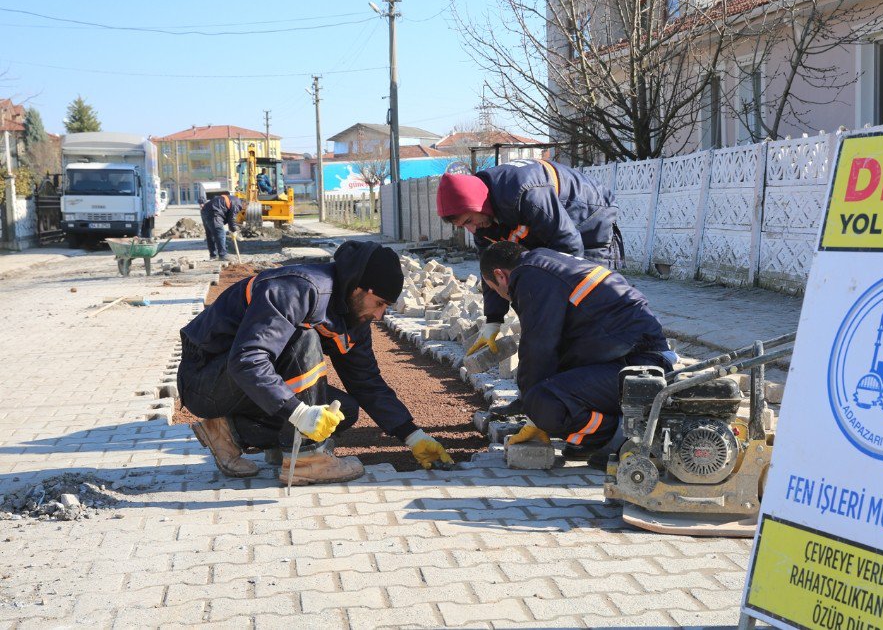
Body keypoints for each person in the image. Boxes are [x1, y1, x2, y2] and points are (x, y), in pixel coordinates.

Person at [178, 241, 453, 484]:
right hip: (205, 380)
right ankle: (307, 460)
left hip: (237, 387)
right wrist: (298, 413)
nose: (380, 315)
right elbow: (247, 360)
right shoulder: (298, 289)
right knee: (304, 337)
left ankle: (227, 431)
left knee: (341, 410)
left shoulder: (352, 314)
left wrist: (412, 435)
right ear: (359, 287)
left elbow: (365, 381)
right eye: (379, 303)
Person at [479, 241, 676, 464]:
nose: (504, 296)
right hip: (633, 356)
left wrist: (533, 413)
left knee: (543, 404)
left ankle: (623, 435)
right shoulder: (545, 261)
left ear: (500, 275)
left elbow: (538, 346)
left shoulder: (530, 276)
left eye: (496, 290)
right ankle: (605, 430)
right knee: (548, 385)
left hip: (638, 365)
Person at [436, 158, 622, 356]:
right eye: (464, 225)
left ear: (479, 203)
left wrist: (554, 304)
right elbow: (491, 267)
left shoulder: (525, 192)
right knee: (533, 283)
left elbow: (568, 245)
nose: (471, 229)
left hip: (589, 215)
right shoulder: (482, 221)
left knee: (592, 293)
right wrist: (493, 319)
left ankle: (612, 354)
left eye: (470, 220)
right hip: (549, 222)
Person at [200, 190, 242, 261]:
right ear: (244, 203)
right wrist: (234, 230)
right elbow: (232, 219)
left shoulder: (233, 199)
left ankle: (213, 255)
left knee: (210, 234)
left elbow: (228, 217)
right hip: (215, 212)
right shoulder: (238, 203)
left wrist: (231, 228)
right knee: (220, 232)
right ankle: (223, 255)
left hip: (205, 210)